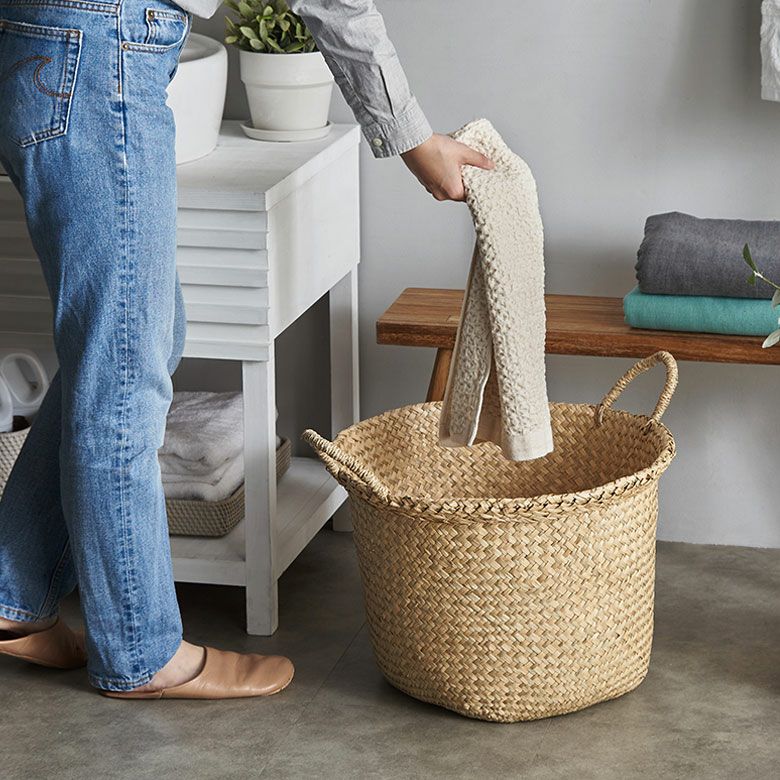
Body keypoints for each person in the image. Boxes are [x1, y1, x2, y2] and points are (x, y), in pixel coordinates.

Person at [0, 0, 492, 699]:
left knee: (135, 344)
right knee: (123, 368)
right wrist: (413, 138)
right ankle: (140, 651)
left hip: (50, 40)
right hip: (102, 50)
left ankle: (13, 592)